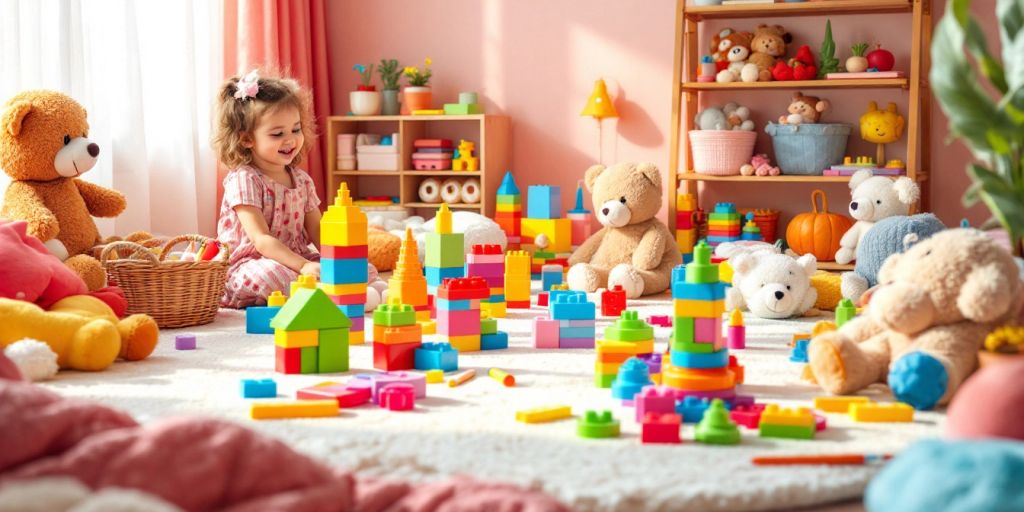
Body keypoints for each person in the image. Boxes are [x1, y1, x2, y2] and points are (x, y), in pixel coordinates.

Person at [212, 70, 321, 308]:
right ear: (246, 139)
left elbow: (318, 231)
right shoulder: (244, 179)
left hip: (295, 257)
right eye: (277, 134)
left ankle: (316, 290)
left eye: (296, 129)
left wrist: (339, 262)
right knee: (273, 278)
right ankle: (311, 291)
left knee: (362, 269)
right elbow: (261, 239)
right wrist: (303, 267)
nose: (291, 139)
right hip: (252, 262)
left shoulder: (302, 181)